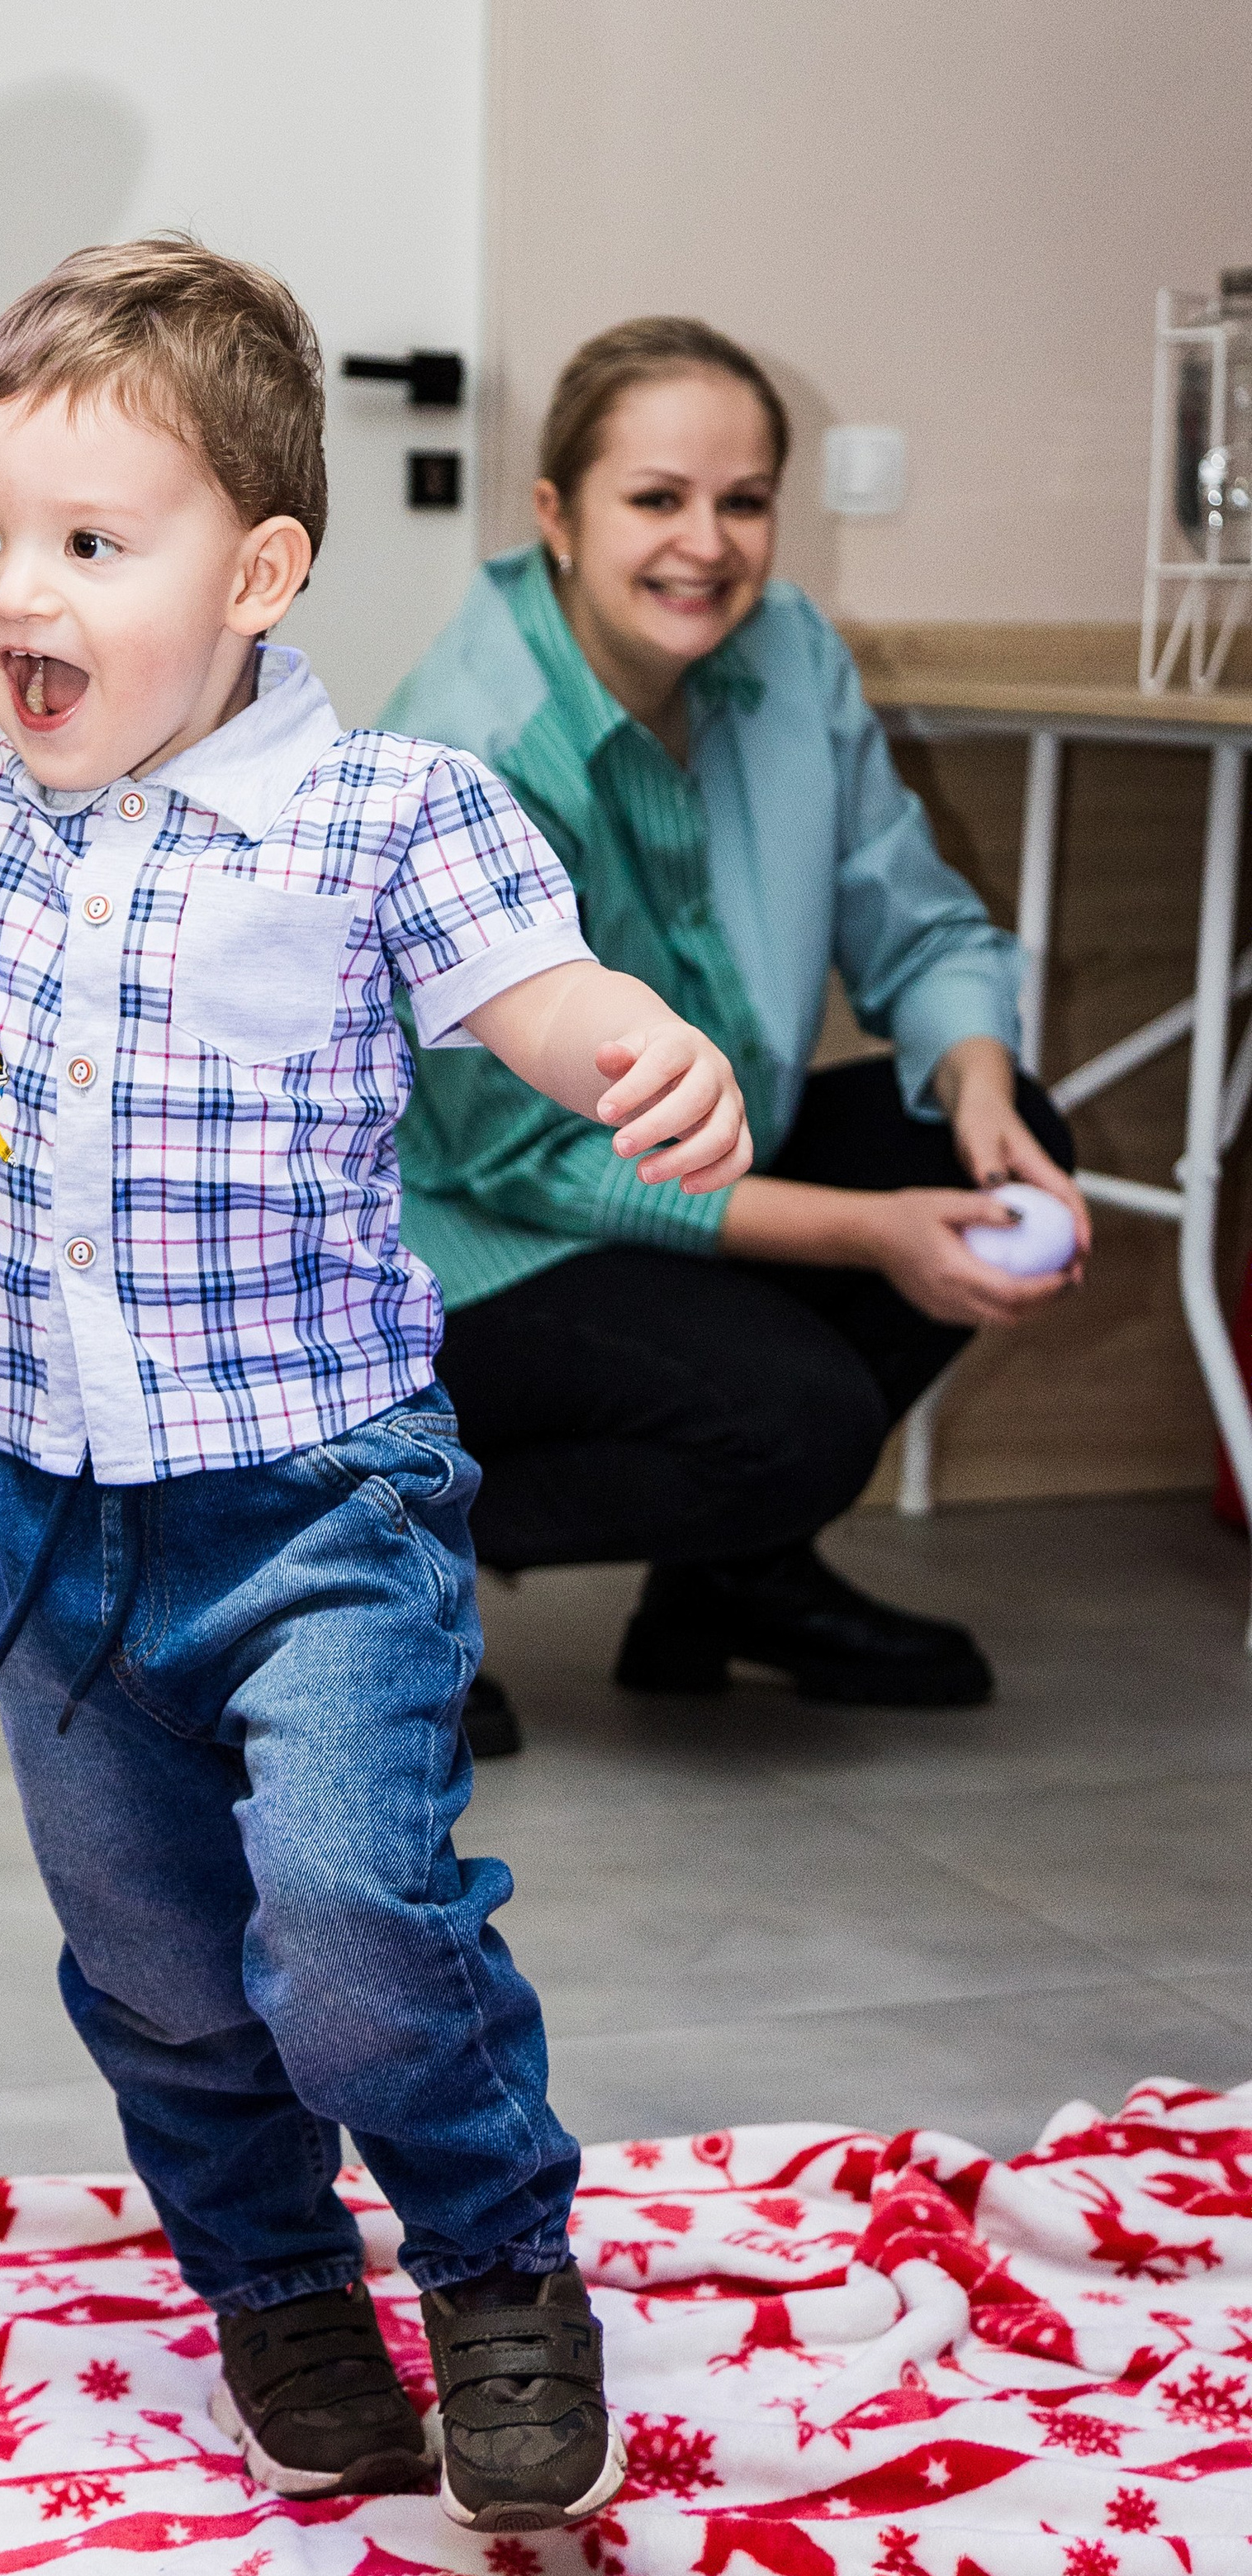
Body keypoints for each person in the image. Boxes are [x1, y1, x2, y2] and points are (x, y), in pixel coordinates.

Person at [0, 60, 752, 2532]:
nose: (12, 591)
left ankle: (498, 2258)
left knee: (353, 1925)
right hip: (56, 1525)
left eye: (90, 537)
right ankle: (276, 2280)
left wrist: (662, 1064)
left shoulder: (389, 815)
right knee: (166, 1978)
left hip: (313, 1504)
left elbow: (553, 998)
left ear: (264, 572)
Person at [384, 318, 1088, 1750]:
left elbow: (916, 918)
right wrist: (873, 1232)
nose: (706, 545)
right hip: (464, 1246)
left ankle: (728, 1588)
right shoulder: (473, 748)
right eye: (656, 499)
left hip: (683, 1169)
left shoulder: (789, 656)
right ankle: (364, 1560)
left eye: (744, 501)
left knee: (991, 1137)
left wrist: (976, 1073)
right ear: (556, 519)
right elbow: (532, 1167)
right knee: (798, 1419)